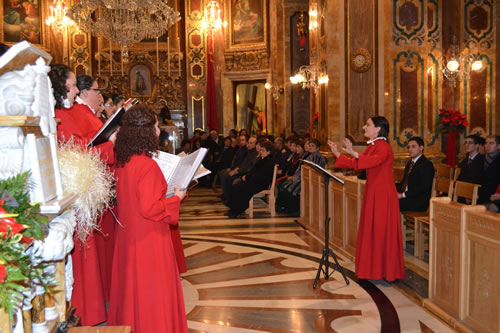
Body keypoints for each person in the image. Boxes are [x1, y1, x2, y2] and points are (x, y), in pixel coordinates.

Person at [108, 104, 188, 333]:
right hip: (149, 240)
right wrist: (177, 197)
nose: (157, 131)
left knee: (132, 293)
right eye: (154, 127)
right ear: (144, 131)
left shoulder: (125, 161)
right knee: (153, 295)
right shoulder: (147, 165)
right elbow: (150, 208)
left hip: (128, 237)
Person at [48, 67, 114, 325]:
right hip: (68, 196)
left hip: (81, 195)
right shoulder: (57, 115)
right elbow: (75, 148)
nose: (75, 91)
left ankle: (91, 309)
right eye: (72, 85)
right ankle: (83, 311)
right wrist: (108, 144)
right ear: (59, 85)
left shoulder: (70, 111)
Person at [327, 116, 405, 281]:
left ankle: (385, 270)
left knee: (380, 231)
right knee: (373, 231)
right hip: (373, 192)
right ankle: (374, 269)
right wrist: (338, 154)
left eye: (368, 125)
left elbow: (373, 161)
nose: (364, 127)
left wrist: (353, 152)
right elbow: (358, 164)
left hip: (383, 195)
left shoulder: (383, 147)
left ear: (378, 129)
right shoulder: (373, 146)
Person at [225, 141, 275, 218]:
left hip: (261, 183)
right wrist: (246, 176)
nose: (260, 152)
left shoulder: (269, 161)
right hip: (255, 181)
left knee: (242, 188)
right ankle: (233, 209)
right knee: (237, 186)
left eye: (262, 150)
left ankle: (237, 211)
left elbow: (262, 176)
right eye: (260, 150)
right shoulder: (262, 159)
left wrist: (248, 178)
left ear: (269, 151)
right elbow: (253, 170)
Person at [397, 136, 435, 212]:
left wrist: (402, 195)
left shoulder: (426, 164)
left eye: (413, 146)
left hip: (419, 201)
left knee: (392, 203)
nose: (410, 149)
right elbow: (404, 183)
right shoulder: (409, 163)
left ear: (421, 148)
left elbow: (423, 187)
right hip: (408, 197)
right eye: (409, 147)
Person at [478, 135, 500, 204]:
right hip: (480, 193)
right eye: (486, 143)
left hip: (495, 195)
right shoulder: (480, 159)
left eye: (491, 143)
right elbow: (475, 178)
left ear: (499, 146)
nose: (487, 146)